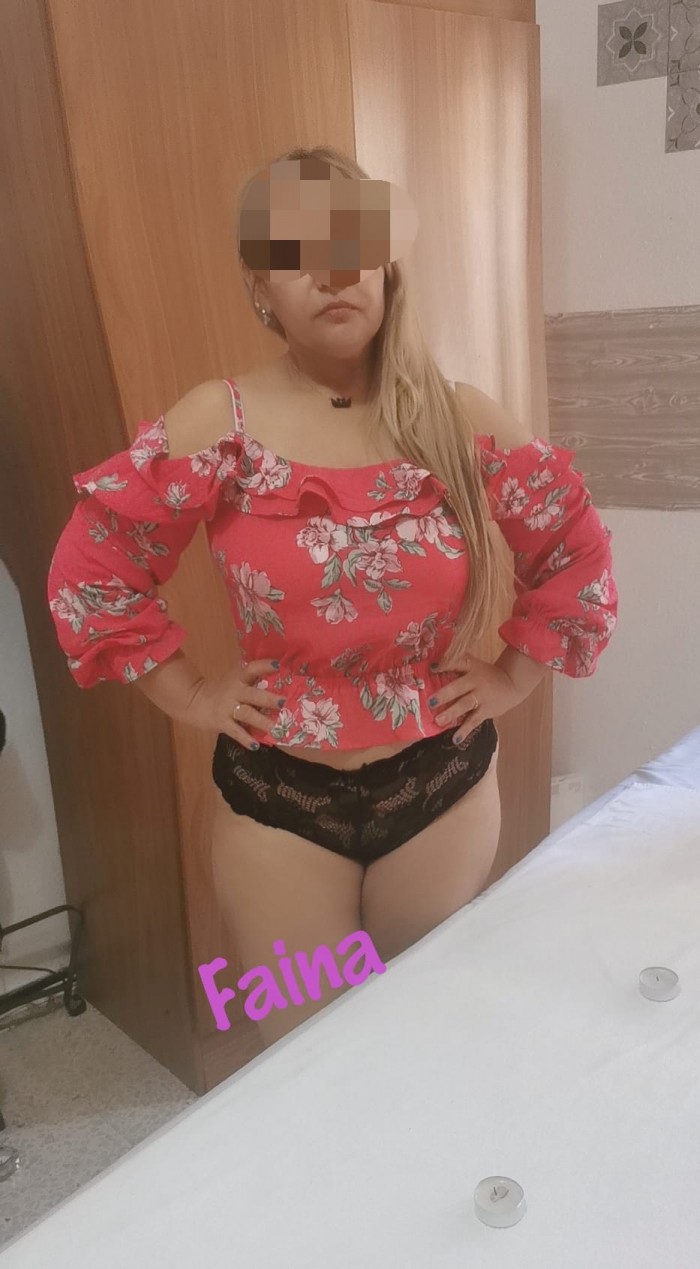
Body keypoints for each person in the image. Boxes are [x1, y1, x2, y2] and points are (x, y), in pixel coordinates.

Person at [47, 145, 618, 1046]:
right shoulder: (220, 423)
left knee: (421, 1037)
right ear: (260, 286)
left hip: (440, 788)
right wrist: (191, 695)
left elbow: (575, 549)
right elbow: (94, 569)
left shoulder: (456, 416)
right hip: (280, 800)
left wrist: (513, 676)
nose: (332, 270)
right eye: (295, 249)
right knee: (304, 1053)